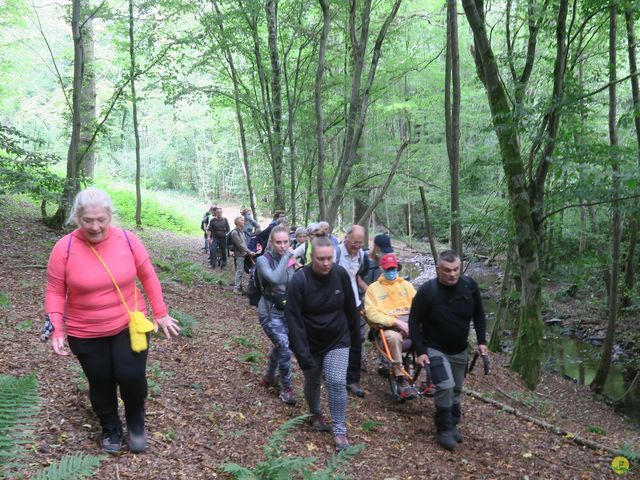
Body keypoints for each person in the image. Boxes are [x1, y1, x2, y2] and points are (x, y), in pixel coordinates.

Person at [44, 187, 180, 455]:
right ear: (77, 218)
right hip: (85, 331)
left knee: (131, 376)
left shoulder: (128, 240)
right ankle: (111, 427)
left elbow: (148, 275)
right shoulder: (65, 247)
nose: (95, 227)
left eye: (101, 220)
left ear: (110, 216)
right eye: (87, 220)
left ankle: (136, 423)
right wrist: (56, 328)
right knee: (101, 381)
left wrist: (160, 312)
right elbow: (55, 290)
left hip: (128, 324)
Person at [285, 236, 359, 452]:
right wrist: (303, 355)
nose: (326, 263)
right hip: (310, 340)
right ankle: (315, 411)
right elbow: (293, 320)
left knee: (336, 381)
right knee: (313, 380)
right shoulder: (299, 281)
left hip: (338, 338)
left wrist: (355, 343)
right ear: (311, 258)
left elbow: (350, 308)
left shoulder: (340, 274)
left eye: (329, 258)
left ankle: (339, 430)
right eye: (321, 259)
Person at [409, 250, 488, 450]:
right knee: (444, 385)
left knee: (456, 389)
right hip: (434, 347)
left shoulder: (469, 286)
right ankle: (443, 428)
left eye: (456, 270)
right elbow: (413, 321)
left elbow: (479, 314)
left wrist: (481, 341)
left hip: (459, 348)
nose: (452, 274)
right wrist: (421, 351)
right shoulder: (428, 291)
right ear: (438, 270)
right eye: (447, 270)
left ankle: (452, 425)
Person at [364, 253, 418, 400]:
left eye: (393, 268)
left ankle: (432, 375)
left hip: (410, 325)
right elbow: (371, 314)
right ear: (382, 269)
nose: (391, 271)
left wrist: (411, 323)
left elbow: (419, 306)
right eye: (388, 269)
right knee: (394, 338)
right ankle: (402, 380)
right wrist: (396, 322)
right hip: (387, 329)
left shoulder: (407, 286)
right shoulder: (373, 289)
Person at [256, 225, 297, 405]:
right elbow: (274, 278)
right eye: (278, 242)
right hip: (269, 312)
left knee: (281, 345)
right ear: (271, 242)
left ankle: (269, 376)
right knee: (284, 347)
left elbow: (292, 282)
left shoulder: (291, 260)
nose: (282, 246)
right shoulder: (263, 260)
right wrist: (287, 256)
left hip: (287, 310)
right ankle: (286, 388)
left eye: (285, 242)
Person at [336, 224, 369, 398]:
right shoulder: (336, 253)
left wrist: (369, 290)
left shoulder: (362, 255)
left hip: (354, 304)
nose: (357, 246)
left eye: (360, 242)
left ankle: (352, 379)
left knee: (356, 341)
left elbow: (356, 276)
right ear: (346, 238)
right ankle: (333, 373)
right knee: (336, 340)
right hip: (336, 305)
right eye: (355, 242)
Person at [229, 216, 256, 294]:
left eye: (243, 220)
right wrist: (249, 251)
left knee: (242, 270)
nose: (243, 221)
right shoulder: (234, 233)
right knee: (240, 271)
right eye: (242, 220)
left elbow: (245, 244)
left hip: (244, 254)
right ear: (237, 222)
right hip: (239, 254)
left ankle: (240, 288)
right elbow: (240, 245)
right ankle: (236, 289)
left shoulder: (242, 231)